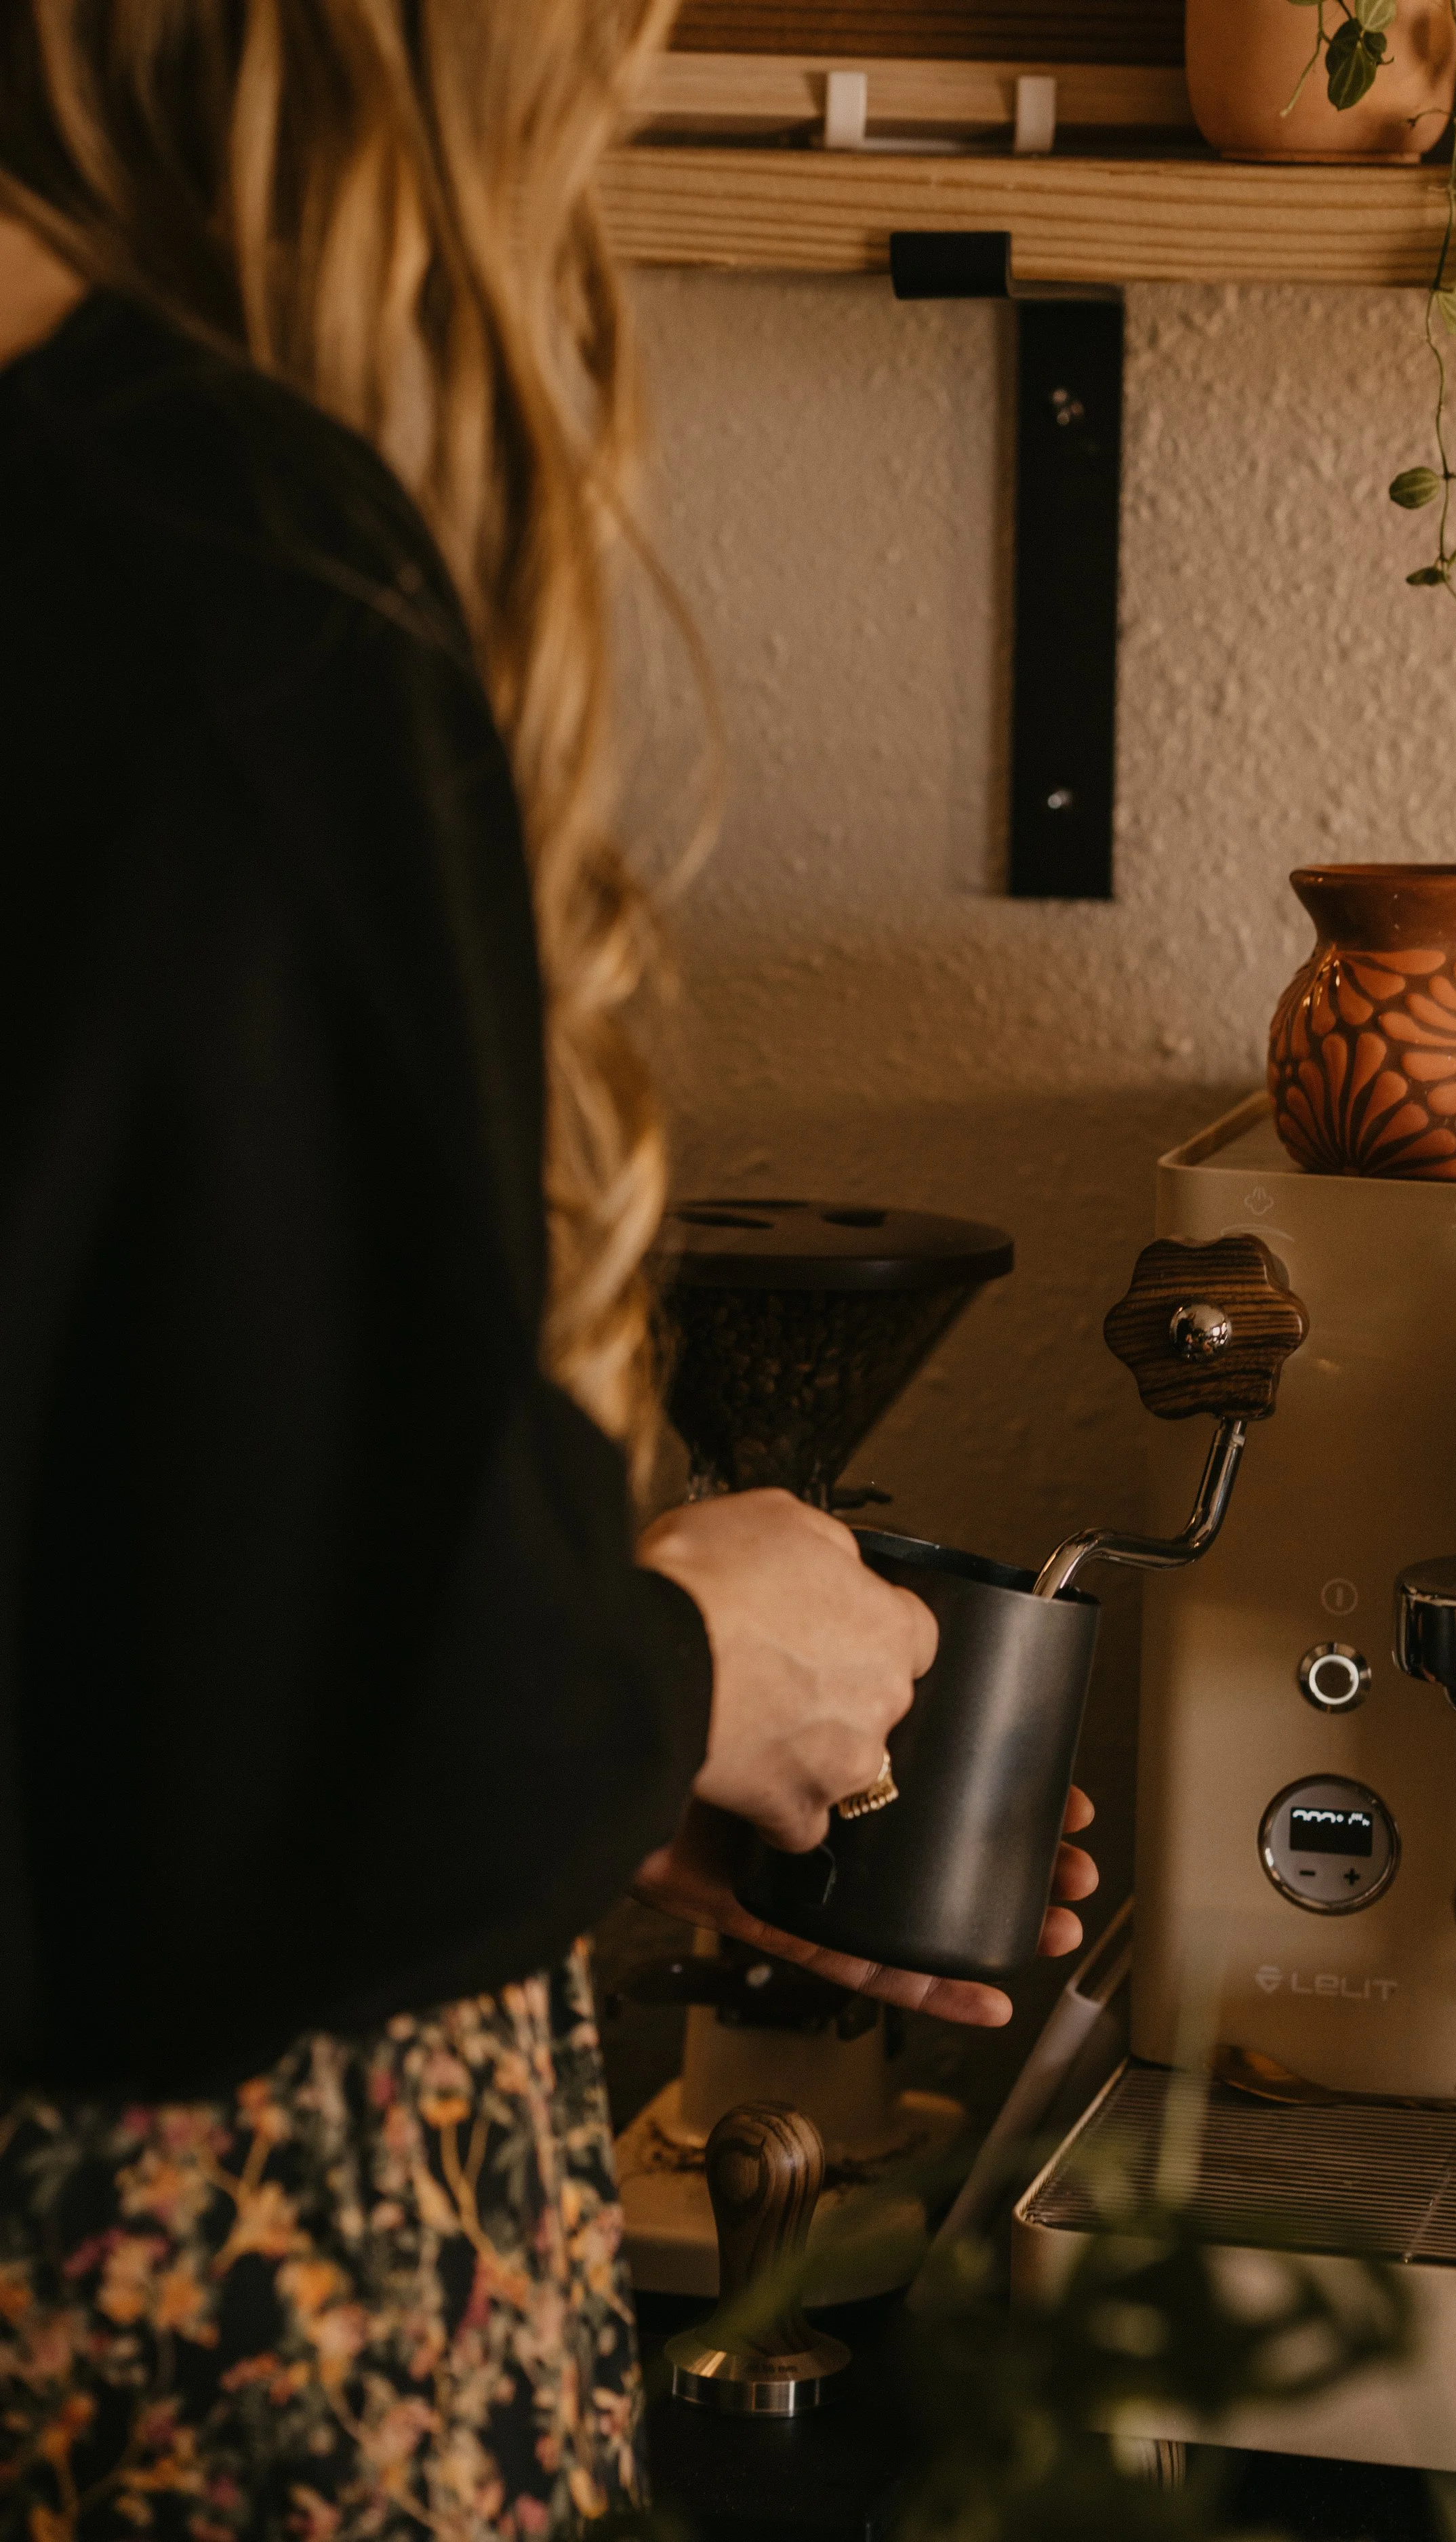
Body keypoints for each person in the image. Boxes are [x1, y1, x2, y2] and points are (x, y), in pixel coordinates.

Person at [0, 6, 1096, 2536]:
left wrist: (594, 1734)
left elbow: (115, 1642)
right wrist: (688, 1662)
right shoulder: (213, 585)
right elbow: (243, 1832)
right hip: (170, 2404)